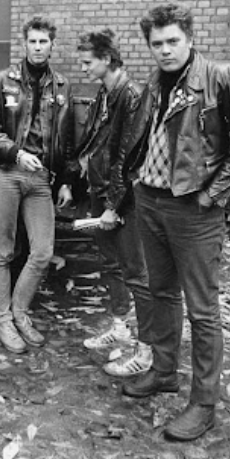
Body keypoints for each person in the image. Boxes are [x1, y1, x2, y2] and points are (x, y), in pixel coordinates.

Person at [120, 4, 230, 441]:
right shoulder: (155, 82)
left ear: (190, 38)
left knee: (202, 309)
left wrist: (212, 196)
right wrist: (133, 185)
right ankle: (163, 371)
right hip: (152, 202)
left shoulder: (222, 77)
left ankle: (204, 402)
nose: (164, 50)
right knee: (161, 292)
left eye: (172, 41)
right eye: (157, 43)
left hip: (194, 210)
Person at [0, 16, 76, 353]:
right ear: (24, 43)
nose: (37, 47)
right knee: (3, 250)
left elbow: (66, 139)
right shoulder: (2, 80)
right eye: (32, 41)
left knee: (43, 250)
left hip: (41, 179)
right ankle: (2, 318)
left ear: (52, 45)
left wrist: (64, 181)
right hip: (6, 171)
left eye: (43, 42)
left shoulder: (61, 86)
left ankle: (19, 312)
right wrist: (17, 154)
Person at [71, 29, 154, 376]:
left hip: (122, 200)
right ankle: (122, 328)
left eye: (88, 61)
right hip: (101, 192)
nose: (83, 67)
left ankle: (146, 350)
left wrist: (114, 205)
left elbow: (129, 157)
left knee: (137, 273)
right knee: (111, 265)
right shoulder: (104, 94)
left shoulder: (131, 95)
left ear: (107, 59)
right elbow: (95, 145)